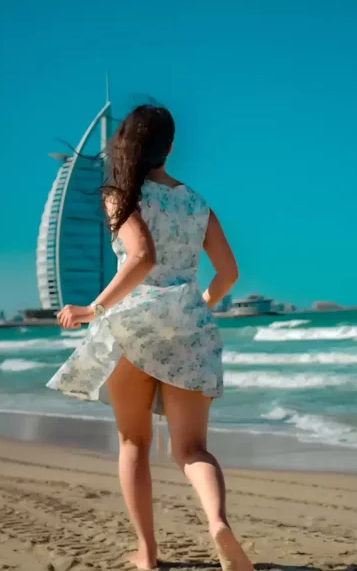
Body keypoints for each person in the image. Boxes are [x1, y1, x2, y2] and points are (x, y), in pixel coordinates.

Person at [46, 105, 253, 571]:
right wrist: (200, 304)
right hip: (188, 326)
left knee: (134, 442)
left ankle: (147, 554)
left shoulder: (123, 194)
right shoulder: (197, 203)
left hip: (133, 325)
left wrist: (92, 308)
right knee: (193, 450)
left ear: (125, 146)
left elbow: (140, 258)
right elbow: (230, 272)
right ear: (171, 147)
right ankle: (218, 523)